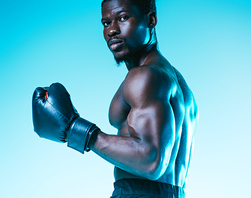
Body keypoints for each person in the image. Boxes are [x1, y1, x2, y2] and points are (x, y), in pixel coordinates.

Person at [32, 0, 199, 197]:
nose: (112, 30)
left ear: (151, 19)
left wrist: (77, 130)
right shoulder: (175, 81)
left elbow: (152, 162)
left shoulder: (144, 76)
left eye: (122, 18)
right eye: (106, 23)